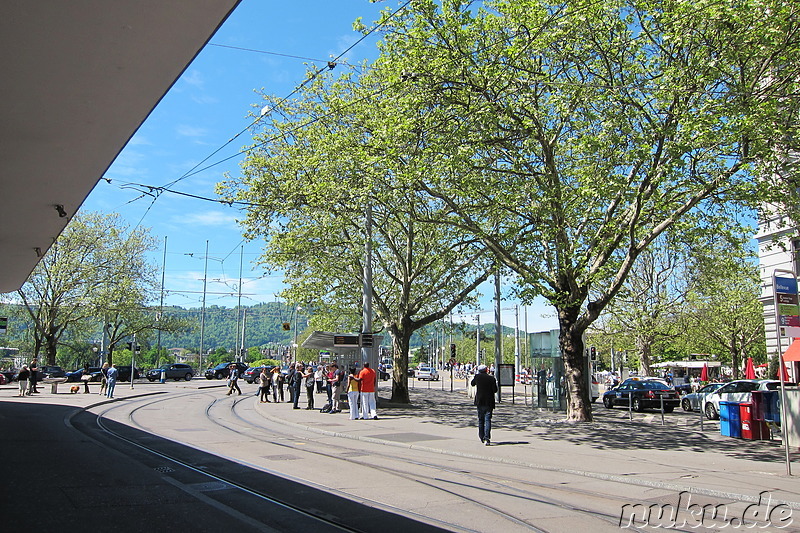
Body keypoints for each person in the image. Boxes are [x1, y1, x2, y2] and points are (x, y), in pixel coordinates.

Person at [471, 364, 498, 446]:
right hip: (489, 402)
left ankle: (481, 436)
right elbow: (495, 390)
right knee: (488, 420)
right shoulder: (491, 378)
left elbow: (472, 383)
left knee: (481, 420)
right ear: (487, 370)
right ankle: (487, 438)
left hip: (480, 401)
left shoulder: (477, 377)